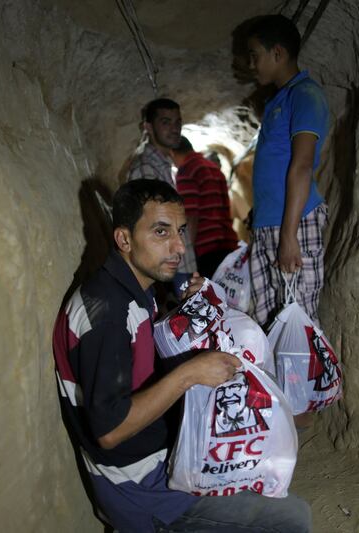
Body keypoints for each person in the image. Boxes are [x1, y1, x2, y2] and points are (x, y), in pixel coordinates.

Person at [53, 178, 311, 532]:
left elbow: (145, 353)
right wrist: (189, 373)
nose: (177, 246)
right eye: (161, 232)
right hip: (141, 485)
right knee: (291, 519)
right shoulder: (107, 315)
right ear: (124, 239)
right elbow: (110, 432)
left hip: (164, 450)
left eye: (180, 230)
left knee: (266, 464)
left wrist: (188, 311)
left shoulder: (137, 290)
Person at [244, 15, 330, 329]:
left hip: (294, 222)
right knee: (268, 323)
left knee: (298, 323)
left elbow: (302, 165)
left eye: (255, 55)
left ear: (277, 53)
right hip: (271, 223)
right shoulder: (277, 101)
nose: (251, 64)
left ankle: (307, 381)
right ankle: (275, 381)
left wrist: (289, 235)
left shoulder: (305, 95)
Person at [128, 98, 197, 293]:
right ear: (148, 127)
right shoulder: (146, 168)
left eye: (177, 122)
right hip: (167, 267)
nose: (174, 128)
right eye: (165, 122)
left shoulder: (163, 166)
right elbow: (151, 227)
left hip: (177, 263)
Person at [171, 136, 239, 279]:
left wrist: (185, 252)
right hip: (230, 245)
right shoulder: (214, 169)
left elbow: (191, 216)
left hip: (207, 250)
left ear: (172, 153)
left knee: (211, 299)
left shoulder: (186, 171)